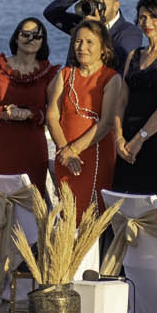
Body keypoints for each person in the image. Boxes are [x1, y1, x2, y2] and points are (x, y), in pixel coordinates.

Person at [112, 0, 157, 210]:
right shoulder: (134, 54)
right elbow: (121, 99)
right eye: (142, 17)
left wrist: (140, 139)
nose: (147, 23)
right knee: (123, 204)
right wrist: (118, 137)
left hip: (156, 138)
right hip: (126, 138)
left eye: (154, 17)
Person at [47, 19, 124, 217]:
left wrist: (74, 150)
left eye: (89, 42)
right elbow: (52, 116)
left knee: (92, 214)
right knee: (68, 213)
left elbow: (106, 122)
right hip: (64, 156)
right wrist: (65, 150)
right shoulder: (64, 75)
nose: (82, 47)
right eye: (78, 42)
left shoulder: (111, 78)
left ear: (103, 48)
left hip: (94, 154)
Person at [0, 17, 57, 183]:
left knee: (32, 202)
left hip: (32, 147)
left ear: (43, 42)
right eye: (25, 34)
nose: (31, 39)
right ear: (16, 37)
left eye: (37, 36)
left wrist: (28, 114)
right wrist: (4, 114)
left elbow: (52, 115)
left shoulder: (49, 73)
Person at [43, 0, 143, 69]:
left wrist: (99, 31)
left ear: (116, 6)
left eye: (101, 5)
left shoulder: (130, 32)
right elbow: (51, 13)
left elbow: (123, 62)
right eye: (94, 4)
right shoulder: (83, 25)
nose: (97, 10)